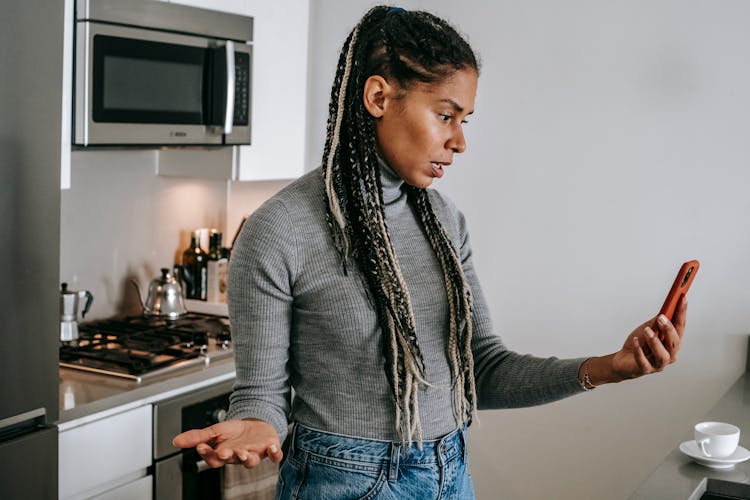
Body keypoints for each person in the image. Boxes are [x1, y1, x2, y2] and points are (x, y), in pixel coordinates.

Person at [173, 6, 687, 499]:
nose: (459, 141)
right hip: (344, 482)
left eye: (465, 120)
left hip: (450, 472)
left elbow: (481, 368)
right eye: (446, 115)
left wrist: (610, 367)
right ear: (378, 97)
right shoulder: (280, 230)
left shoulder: (444, 221)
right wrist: (256, 426)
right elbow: (261, 393)